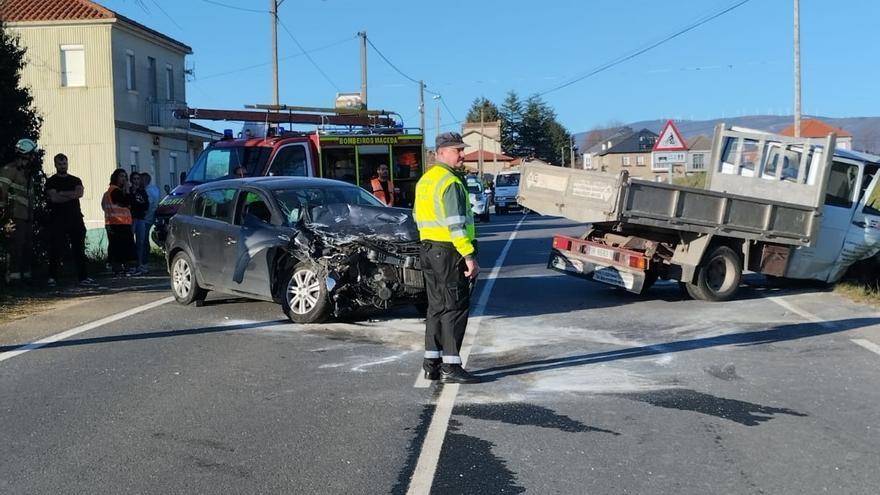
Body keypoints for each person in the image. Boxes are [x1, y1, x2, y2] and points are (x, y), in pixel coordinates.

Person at [413, 132, 481, 384]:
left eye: (462, 150)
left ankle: (432, 364)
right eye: (457, 150)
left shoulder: (425, 180)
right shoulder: (450, 182)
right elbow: (456, 225)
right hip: (449, 251)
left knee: (436, 307)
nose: (462, 154)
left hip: (429, 249)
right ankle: (451, 366)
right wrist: (469, 255)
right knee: (454, 307)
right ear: (441, 153)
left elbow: (416, 217)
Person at [45, 153, 95, 287]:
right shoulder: (51, 181)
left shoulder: (75, 180)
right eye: (60, 164)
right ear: (55, 165)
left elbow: (79, 193)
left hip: (75, 219)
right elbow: (53, 198)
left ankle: (83, 277)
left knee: (79, 249)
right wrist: (69, 195)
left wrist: (61, 193)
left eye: (64, 163)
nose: (63, 166)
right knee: (56, 249)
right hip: (58, 220)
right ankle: (52, 277)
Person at [0, 138, 38, 282]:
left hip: (26, 216)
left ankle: (25, 277)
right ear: (25, 154)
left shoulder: (27, 173)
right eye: (32, 154)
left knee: (26, 246)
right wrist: (5, 218)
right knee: (16, 246)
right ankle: (13, 279)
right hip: (14, 215)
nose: (33, 157)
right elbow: (1, 193)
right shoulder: (9, 170)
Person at [101, 169, 135, 276]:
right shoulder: (115, 191)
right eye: (121, 176)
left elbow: (103, 206)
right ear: (115, 177)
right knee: (119, 247)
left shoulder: (108, 192)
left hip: (116, 222)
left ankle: (120, 268)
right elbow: (126, 202)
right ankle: (119, 268)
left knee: (119, 246)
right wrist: (128, 191)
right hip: (118, 223)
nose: (124, 179)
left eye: (125, 176)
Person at [129, 172, 150, 275]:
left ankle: (140, 264)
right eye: (134, 179)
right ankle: (131, 265)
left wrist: (140, 207)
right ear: (131, 180)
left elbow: (146, 205)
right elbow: (129, 203)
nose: (136, 181)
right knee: (130, 242)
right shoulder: (128, 191)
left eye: (138, 179)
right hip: (131, 219)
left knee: (140, 242)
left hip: (141, 218)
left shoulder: (143, 192)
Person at [141, 172, 160, 273]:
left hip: (145, 218)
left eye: (141, 179)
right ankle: (145, 261)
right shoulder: (155, 189)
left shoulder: (148, 191)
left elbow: (147, 205)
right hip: (151, 218)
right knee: (145, 240)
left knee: (143, 241)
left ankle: (143, 262)